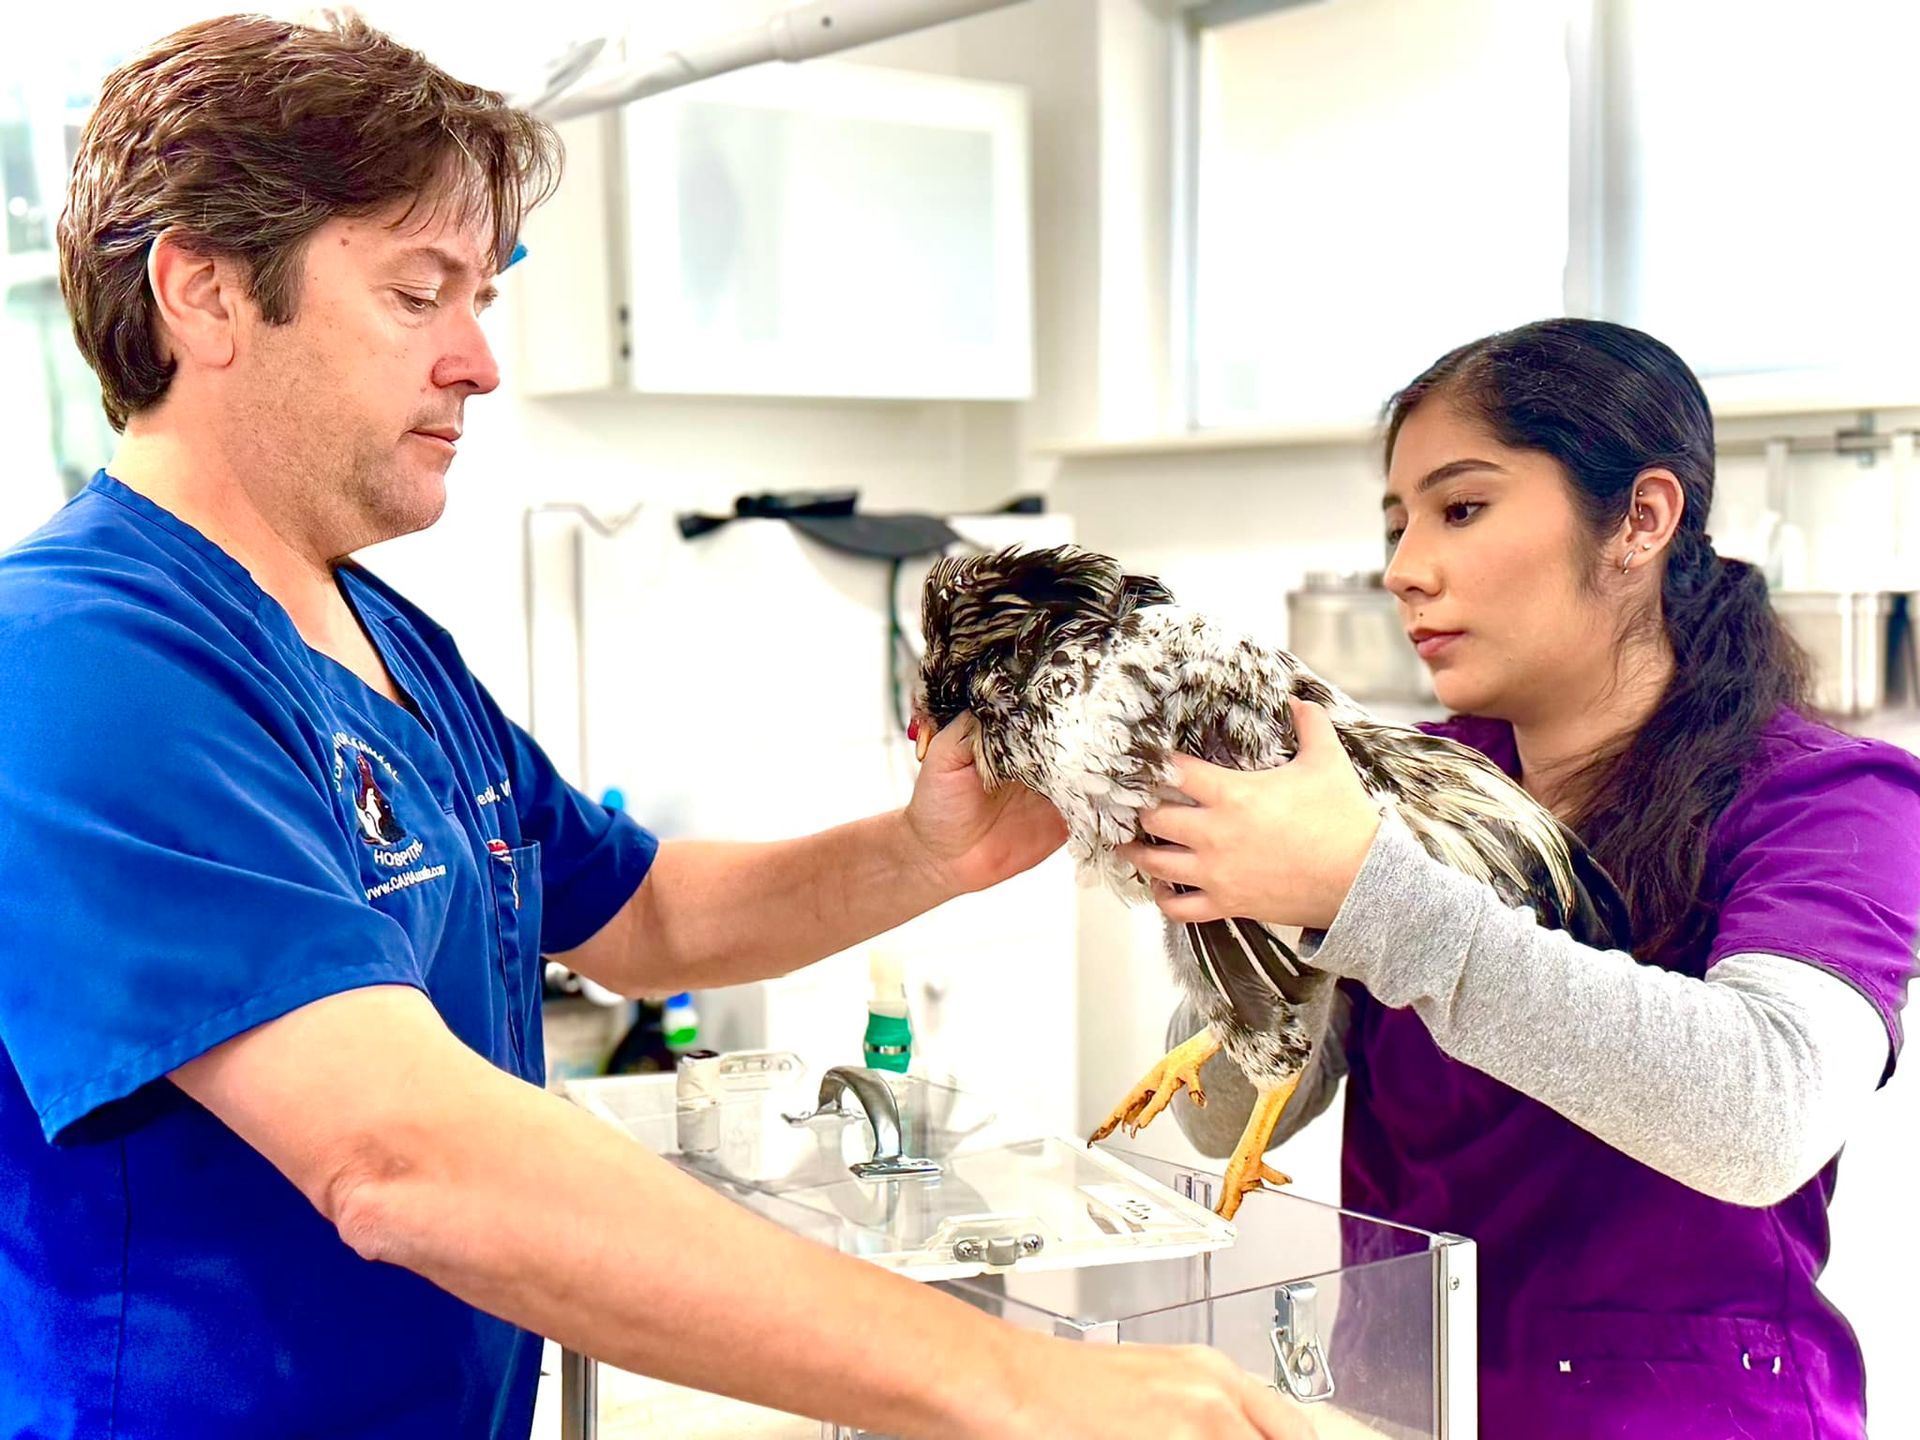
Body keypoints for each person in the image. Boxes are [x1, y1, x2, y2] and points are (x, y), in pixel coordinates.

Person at [0, 16, 1304, 1440]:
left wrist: (927, 852)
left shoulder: (382, 640)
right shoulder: (78, 663)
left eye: (485, 297)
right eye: (421, 293)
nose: (478, 362)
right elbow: (401, 1156)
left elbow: (640, 915)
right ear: (203, 294)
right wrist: (1016, 1383)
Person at [1127, 318, 1920, 1439]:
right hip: (1404, 1407)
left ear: (1641, 519)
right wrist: (1227, 904)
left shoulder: (1830, 802)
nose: (1403, 569)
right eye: (1396, 524)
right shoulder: (1413, 783)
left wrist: (1364, 892)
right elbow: (1220, 1120)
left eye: (1462, 508)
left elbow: (1766, 1112)